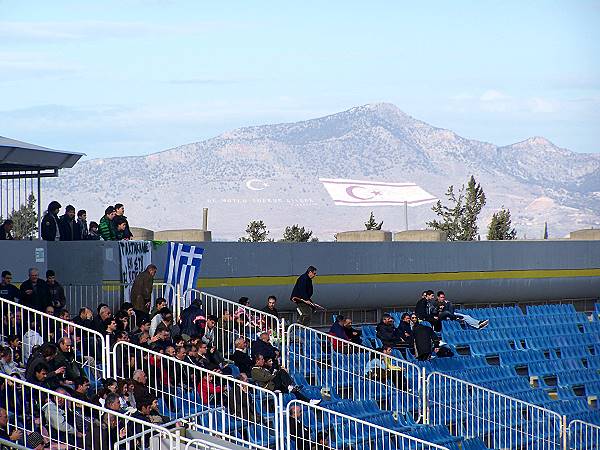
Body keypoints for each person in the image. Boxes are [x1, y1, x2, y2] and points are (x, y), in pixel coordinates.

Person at [251, 354, 320, 405]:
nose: (263, 361)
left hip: (274, 385)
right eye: (262, 359)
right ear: (257, 361)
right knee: (281, 371)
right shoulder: (254, 371)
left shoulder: (262, 369)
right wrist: (274, 375)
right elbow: (265, 378)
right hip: (269, 387)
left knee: (295, 391)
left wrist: (273, 375)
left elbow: (269, 376)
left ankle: (309, 401)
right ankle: (290, 386)